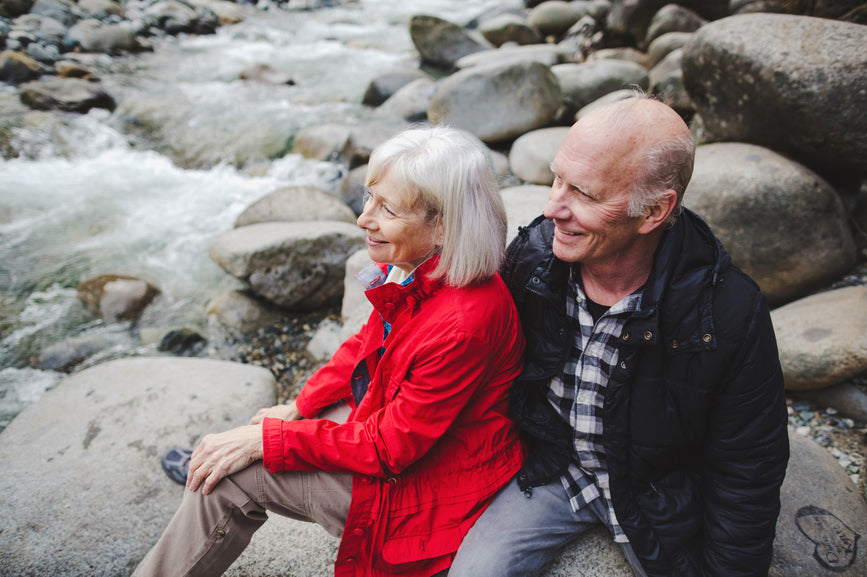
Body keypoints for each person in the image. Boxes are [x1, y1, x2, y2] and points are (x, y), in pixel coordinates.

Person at [134, 126, 526, 577]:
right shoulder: (420, 268)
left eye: (388, 209)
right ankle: (210, 470)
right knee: (268, 428)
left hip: (426, 489)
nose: (363, 219)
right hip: (418, 444)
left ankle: (207, 485)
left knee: (232, 478)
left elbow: (390, 449)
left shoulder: (463, 323)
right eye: (369, 199)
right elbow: (363, 346)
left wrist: (269, 443)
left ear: (442, 225)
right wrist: (297, 407)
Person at [449, 96, 790, 577]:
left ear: (653, 211)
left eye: (584, 194)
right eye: (557, 178)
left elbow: (748, 468)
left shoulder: (728, 313)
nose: (552, 207)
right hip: (555, 472)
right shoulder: (533, 257)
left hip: (660, 496)